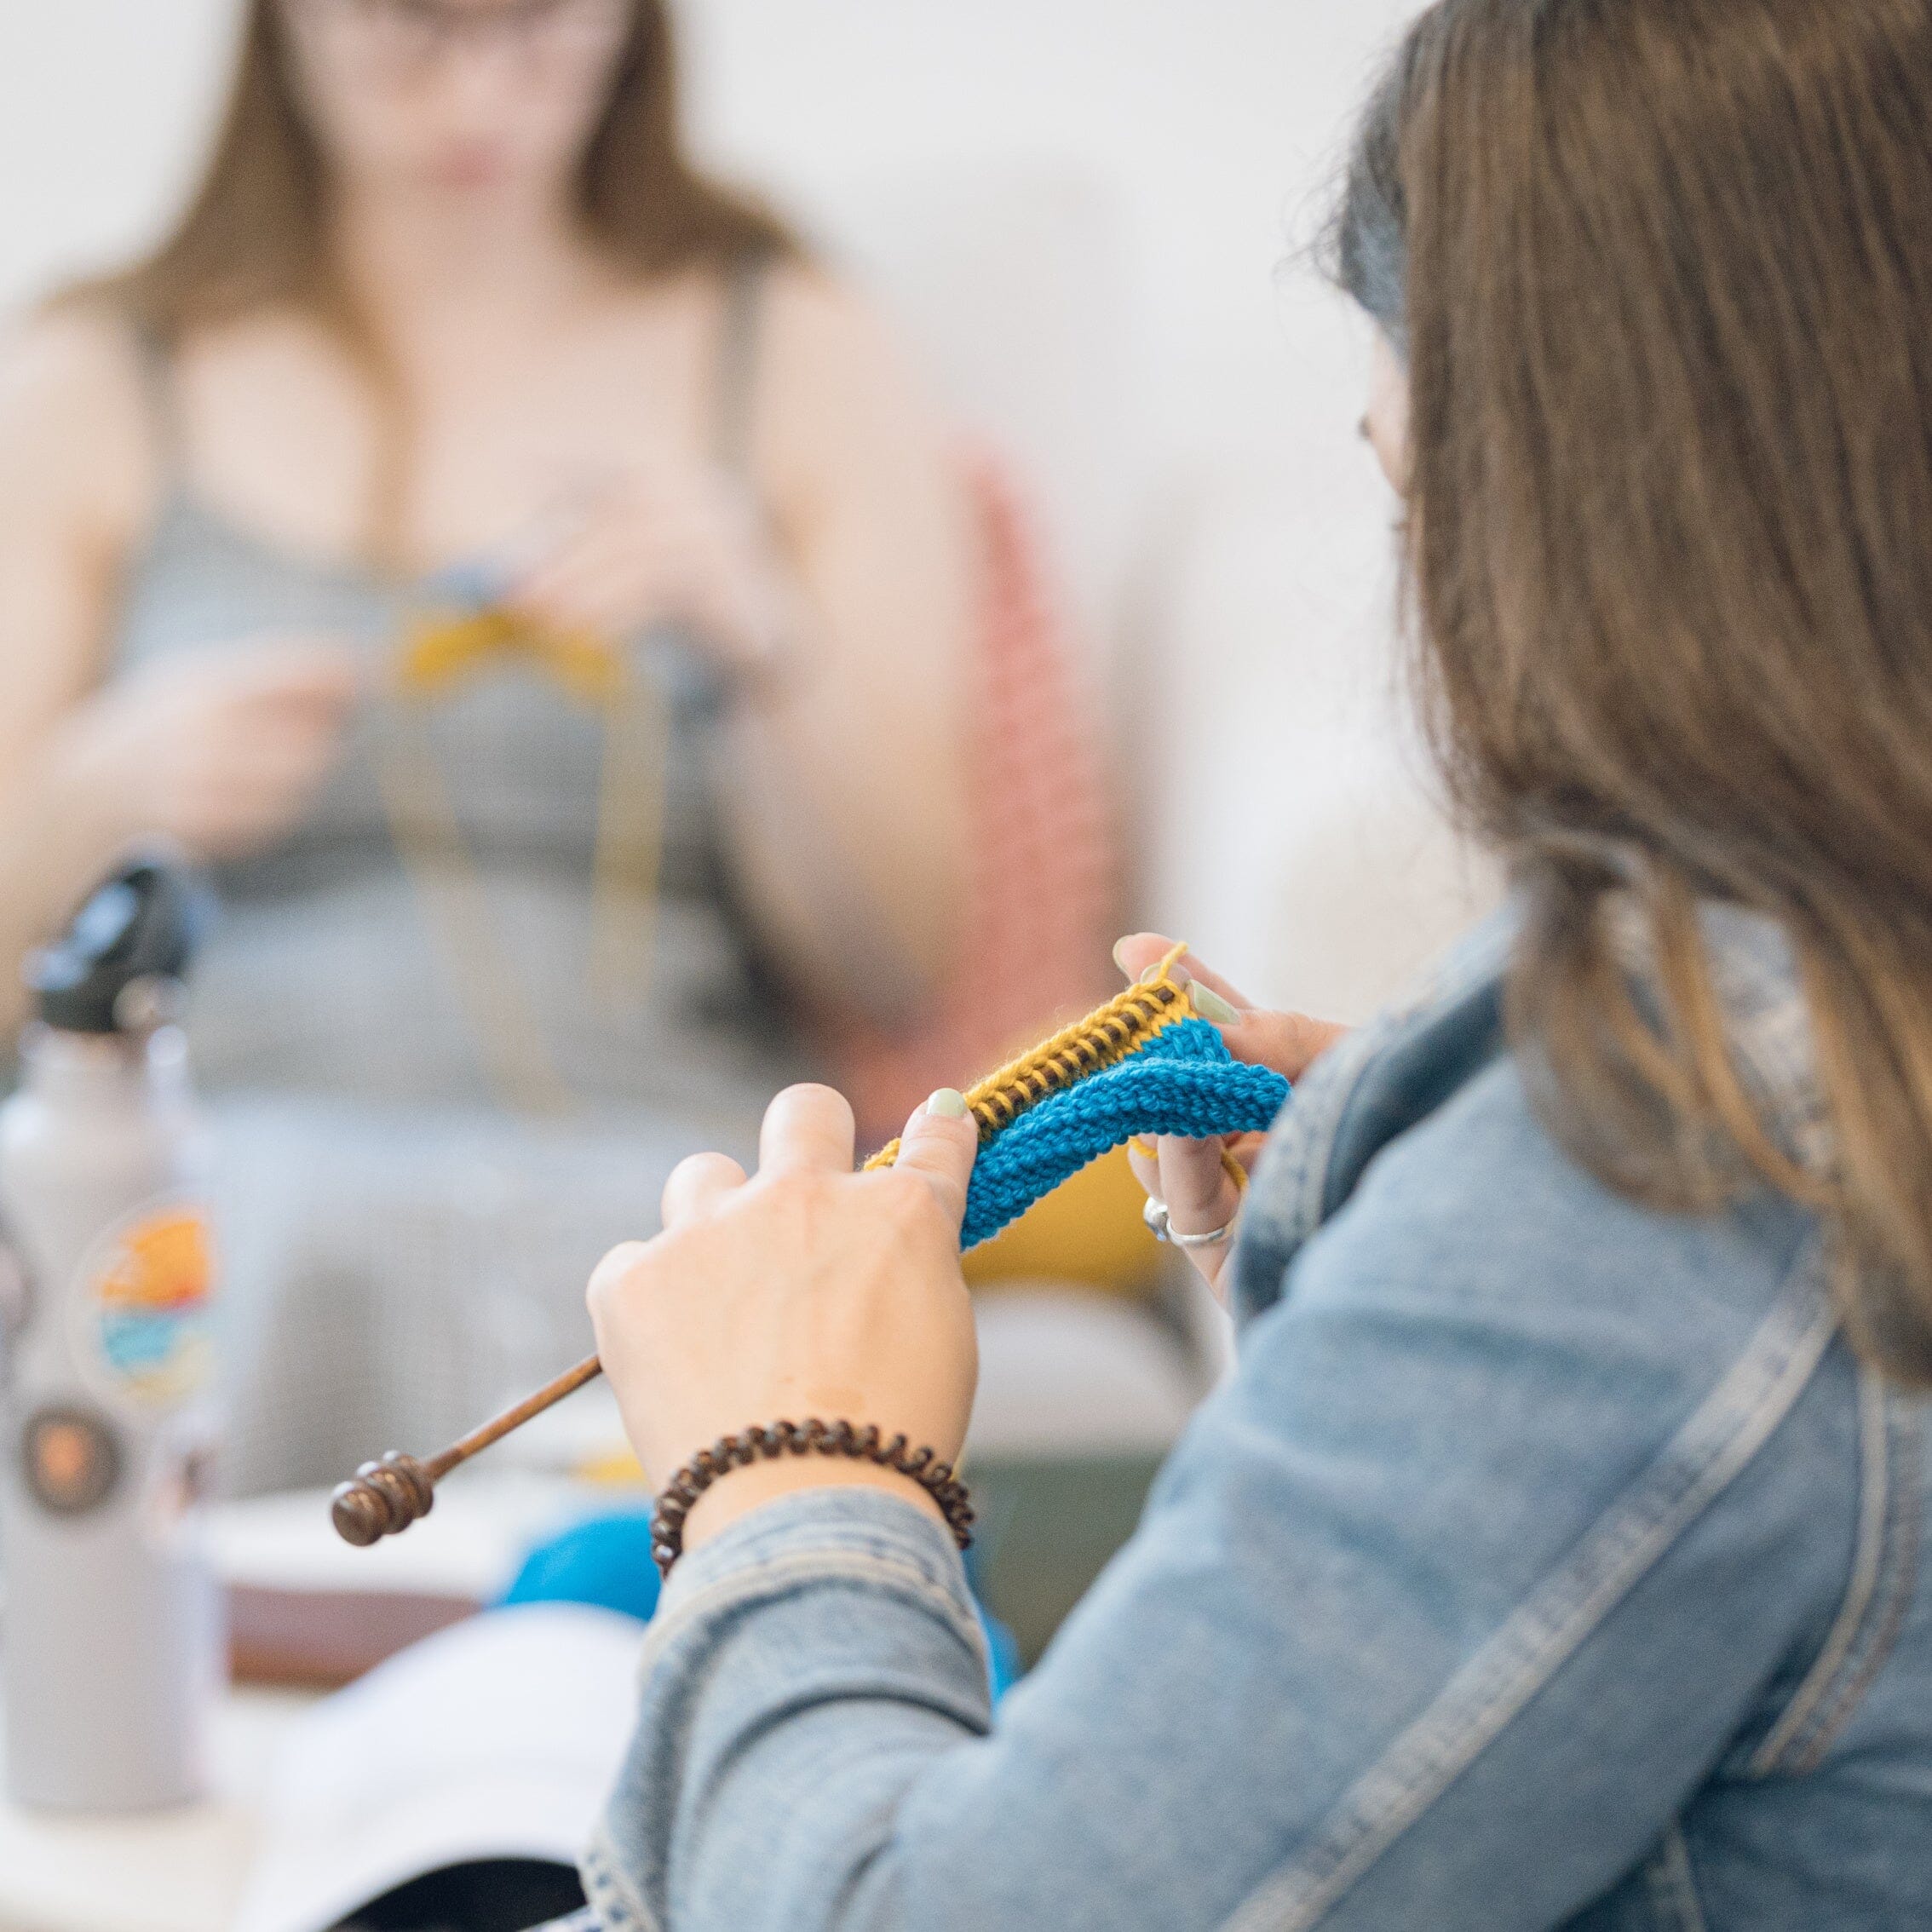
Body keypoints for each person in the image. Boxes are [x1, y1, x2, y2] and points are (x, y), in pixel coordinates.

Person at [570, 2, 1932, 1925]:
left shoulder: (1676, 1159)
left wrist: (790, 1473)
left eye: (1408, 491)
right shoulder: (1810, 1083)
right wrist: (1398, 1276)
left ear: (1558, 494)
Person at [0, 0, 977, 1484]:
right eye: (415, 28)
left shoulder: (791, 344)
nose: (479, 95)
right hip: (215, 1157)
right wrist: (97, 789)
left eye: (536, 27)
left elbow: (902, 952)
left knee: (635, 1255)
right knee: (250, 1235)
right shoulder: (94, 375)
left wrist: (760, 641)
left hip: (644, 1145)